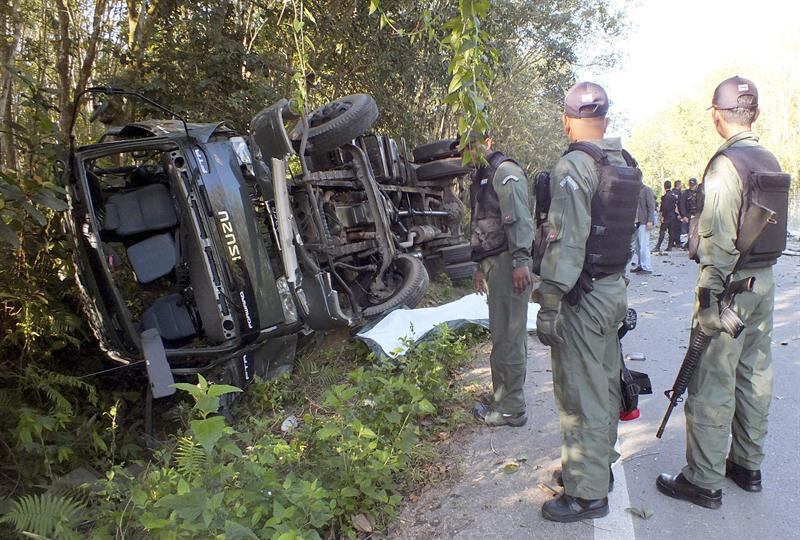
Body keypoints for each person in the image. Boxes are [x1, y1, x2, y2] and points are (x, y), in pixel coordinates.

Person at [657, 76, 790, 509]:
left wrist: (707, 301)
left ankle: (703, 479)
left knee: (712, 380)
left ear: (717, 115)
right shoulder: (767, 158)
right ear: (755, 113)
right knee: (753, 375)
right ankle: (747, 466)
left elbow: (717, 241)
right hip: (763, 282)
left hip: (729, 287)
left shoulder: (726, 164)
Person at [532, 81, 642, 522]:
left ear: (566, 121)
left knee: (581, 394)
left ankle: (587, 494)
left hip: (583, 295)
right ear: (606, 119)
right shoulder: (623, 162)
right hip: (611, 288)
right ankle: (594, 469)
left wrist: (548, 304)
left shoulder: (575, 166)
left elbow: (566, 246)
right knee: (605, 386)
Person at [468, 132, 534, 427]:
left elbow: (519, 219)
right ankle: (502, 396)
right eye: (463, 147)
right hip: (495, 264)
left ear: (488, 141)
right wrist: (479, 266)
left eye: (473, 145)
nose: (468, 152)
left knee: (510, 336)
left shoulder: (505, 172)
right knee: (501, 336)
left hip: (510, 264)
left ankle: (512, 407)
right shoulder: (481, 175)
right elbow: (480, 222)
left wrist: (520, 261)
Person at [631, 184, 656, 273]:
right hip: (635, 223)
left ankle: (646, 266)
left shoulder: (646, 190)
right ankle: (640, 264)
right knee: (637, 247)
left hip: (644, 222)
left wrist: (650, 220)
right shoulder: (633, 190)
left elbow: (651, 206)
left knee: (644, 246)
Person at [653, 180, 679, 251]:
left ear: (664, 187)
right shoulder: (674, 196)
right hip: (673, 215)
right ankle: (670, 246)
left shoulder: (665, 196)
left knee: (662, 231)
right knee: (671, 232)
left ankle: (658, 246)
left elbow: (664, 207)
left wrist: (662, 216)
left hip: (666, 216)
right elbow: (676, 206)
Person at [679, 177, 701, 248]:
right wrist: (684, 216)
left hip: (698, 214)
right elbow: (682, 205)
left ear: (696, 185)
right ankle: (687, 244)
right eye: (691, 185)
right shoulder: (685, 193)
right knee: (687, 231)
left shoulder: (700, 193)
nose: (692, 187)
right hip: (688, 214)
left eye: (693, 185)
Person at [671, 179, 684, 248]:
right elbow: (677, 204)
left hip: (671, 213)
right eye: (681, 184)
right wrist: (679, 214)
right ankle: (677, 242)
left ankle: (672, 241)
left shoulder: (672, 192)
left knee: (673, 228)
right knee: (678, 228)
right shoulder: (678, 193)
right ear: (678, 185)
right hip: (677, 213)